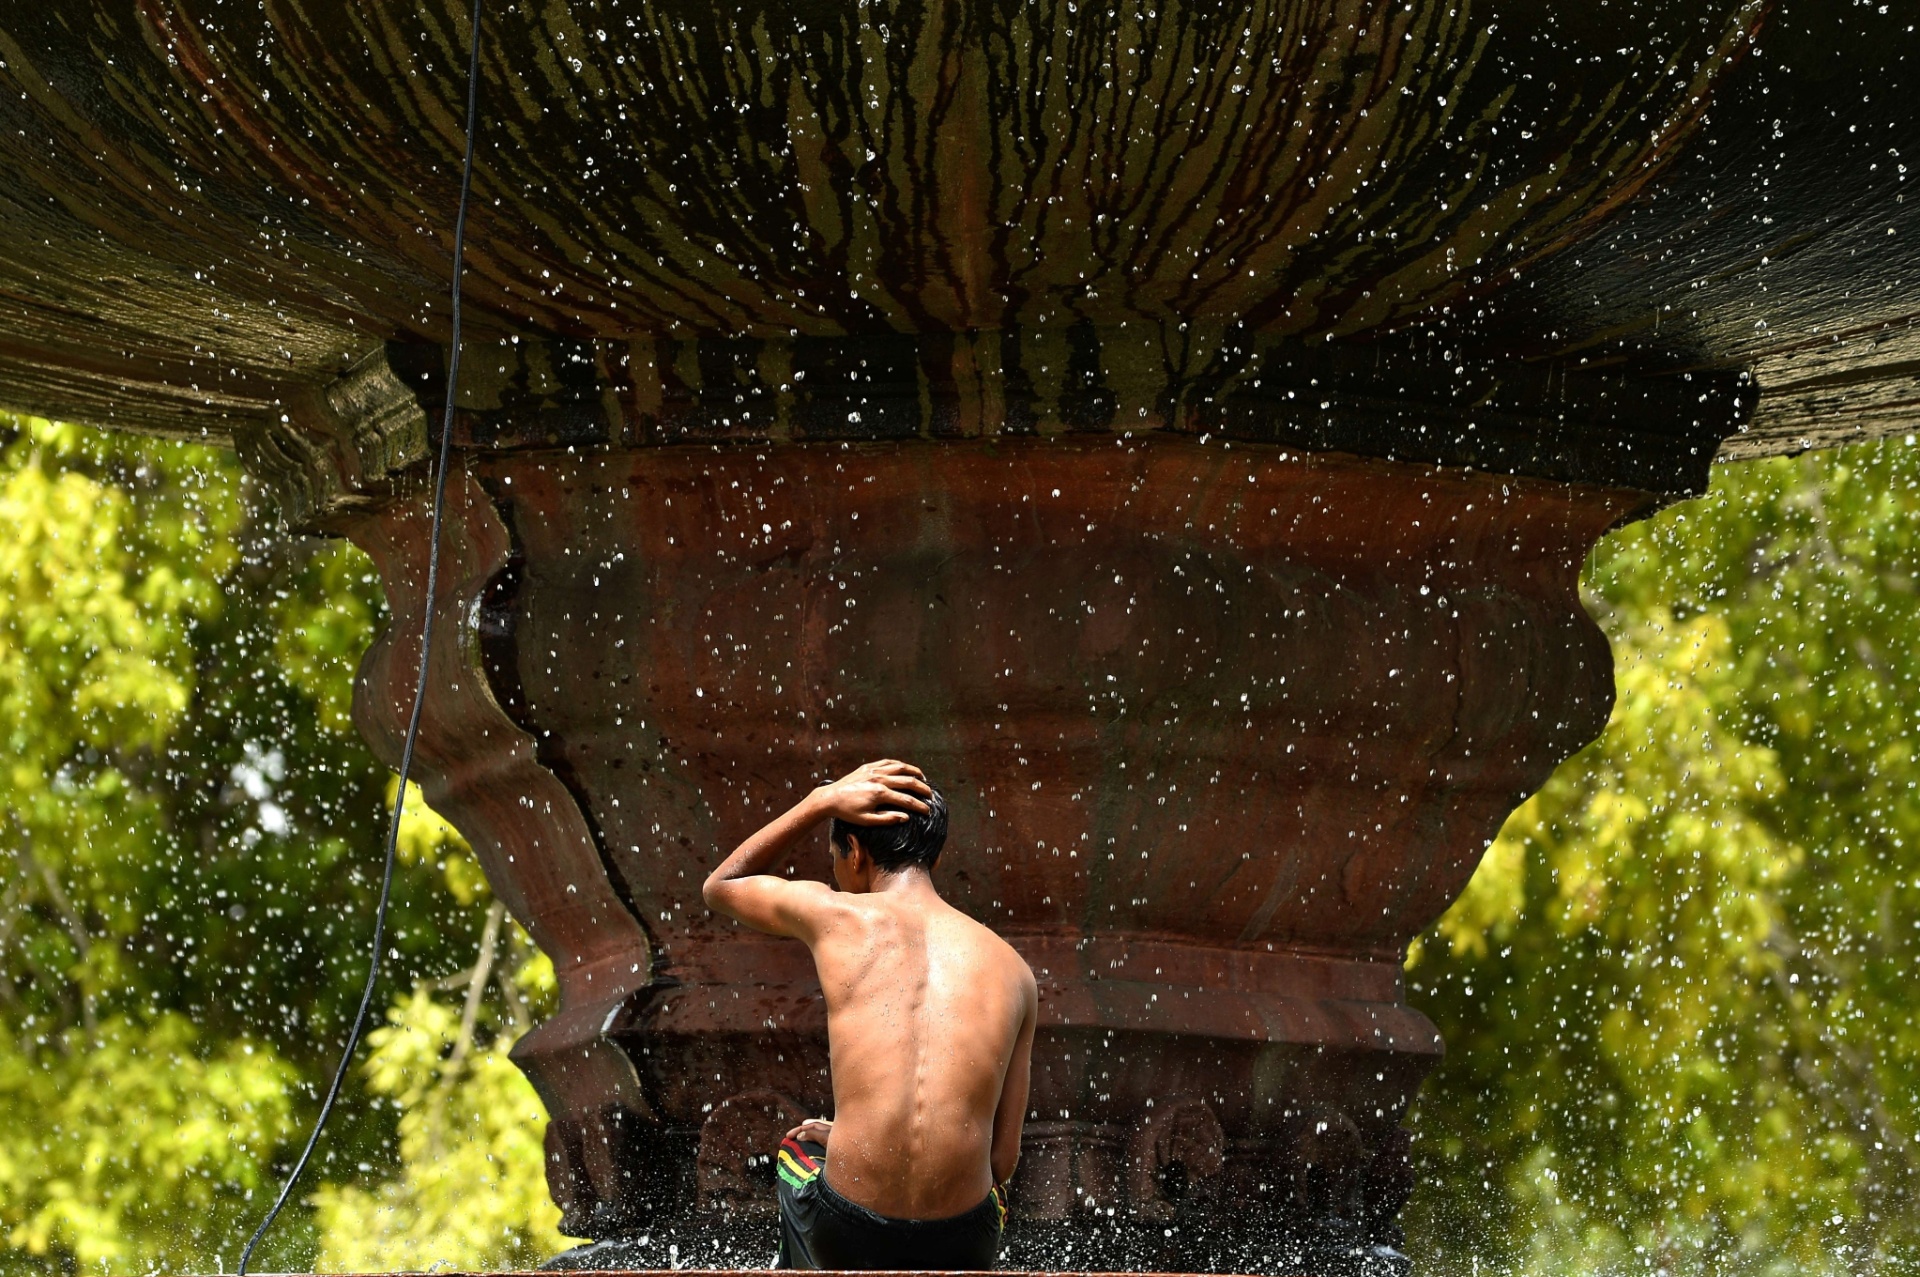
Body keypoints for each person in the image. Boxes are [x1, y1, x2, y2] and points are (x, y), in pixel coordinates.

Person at [702, 759, 1038, 1271]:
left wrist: (821, 800)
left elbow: (720, 887)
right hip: (963, 1241)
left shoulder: (835, 915)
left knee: (797, 1154)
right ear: (934, 858)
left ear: (854, 853)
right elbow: (1002, 1161)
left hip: (848, 1230)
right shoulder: (1015, 972)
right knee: (989, 1196)